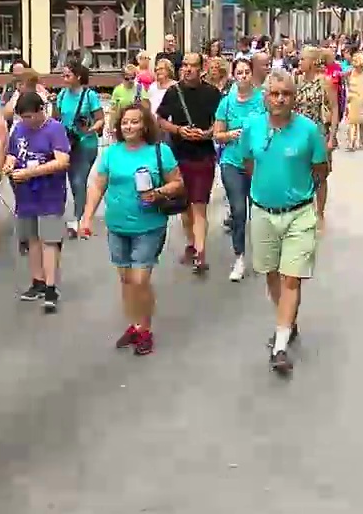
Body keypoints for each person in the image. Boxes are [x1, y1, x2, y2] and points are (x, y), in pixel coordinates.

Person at [241, 71, 329, 375]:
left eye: (286, 94)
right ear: (265, 96)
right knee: (272, 275)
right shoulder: (252, 127)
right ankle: (288, 322)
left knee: (292, 277)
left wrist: (320, 212)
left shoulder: (308, 130)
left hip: (300, 213)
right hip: (264, 213)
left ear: (294, 98)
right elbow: (249, 164)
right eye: (274, 93)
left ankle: (280, 346)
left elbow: (321, 170)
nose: (280, 99)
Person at [79, 102, 183, 356]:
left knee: (140, 280)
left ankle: (145, 328)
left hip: (149, 226)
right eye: (125, 122)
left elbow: (177, 183)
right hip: (117, 225)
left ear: (145, 124)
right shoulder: (112, 153)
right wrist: (86, 216)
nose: (129, 126)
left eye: (135, 121)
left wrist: (158, 191)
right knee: (126, 279)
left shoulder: (160, 152)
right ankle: (135, 325)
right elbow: (97, 185)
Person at [4, 91, 72, 312]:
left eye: (31, 117)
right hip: (25, 196)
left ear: (41, 110)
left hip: (49, 193)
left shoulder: (55, 129)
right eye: (23, 118)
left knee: (49, 240)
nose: (27, 122)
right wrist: (8, 165)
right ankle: (37, 281)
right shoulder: (19, 129)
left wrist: (32, 173)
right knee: (31, 238)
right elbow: (13, 153)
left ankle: (51, 286)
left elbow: (62, 161)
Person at [155, 52, 221, 273]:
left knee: (199, 203)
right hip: (178, 155)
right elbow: (161, 119)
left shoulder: (212, 93)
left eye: (193, 66)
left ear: (201, 69)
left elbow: (220, 122)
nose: (188, 69)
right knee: (185, 206)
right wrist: (179, 130)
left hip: (203, 155)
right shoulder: (174, 93)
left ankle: (200, 253)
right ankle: (192, 244)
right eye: (185, 65)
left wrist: (207, 133)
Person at [213, 58, 266, 282]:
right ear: (234, 75)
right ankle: (239, 257)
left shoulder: (262, 100)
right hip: (232, 161)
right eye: (239, 72)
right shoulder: (226, 103)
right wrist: (230, 134)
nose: (243, 76)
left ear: (251, 75)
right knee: (238, 210)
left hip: (258, 162)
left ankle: (264, 256)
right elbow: (217, 133)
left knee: (260, 210)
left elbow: (272, 126)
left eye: (247, 72)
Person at [54, 63, 105, 237]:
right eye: (63, 75)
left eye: (68, 75)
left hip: (85, 144)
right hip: (67, 144)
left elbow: (100, 119)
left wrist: (89, 129)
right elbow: (55, 119)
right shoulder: (61, 95)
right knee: (71, 181)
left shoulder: (89, 96)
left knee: (78, 180)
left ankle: (79, 218)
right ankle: (79, 212)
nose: (64, 78)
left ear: (78, 77)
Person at [294, 47, 338, 227]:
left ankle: (320, 212)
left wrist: (332, 136)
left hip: (319, 132)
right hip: (298, 132)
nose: (299, 62)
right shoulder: (296, 81)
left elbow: (335, 108)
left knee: (320, 174)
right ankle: (303, 209)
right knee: (299, 172)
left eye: (303, 59)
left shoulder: (324, 82)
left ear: (312, 62)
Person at [343, 53, 363, 151]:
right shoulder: (350, 72)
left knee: (362, 121)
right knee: (352, 121)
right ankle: (351, 142)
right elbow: (345, 81)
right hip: (352, 98)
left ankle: (361, 141)